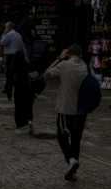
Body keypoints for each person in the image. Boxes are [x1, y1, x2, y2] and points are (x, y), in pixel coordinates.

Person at [43, 45, 90, 181]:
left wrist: (59, 58)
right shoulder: (84, 66)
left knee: (62, 136)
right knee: (76, 138)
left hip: (66, 108)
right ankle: (73, 168)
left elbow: (46, 75)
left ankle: (71, 160)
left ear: (68, 53)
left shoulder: (64, 65)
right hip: (81, 109)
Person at [0, 21, 26, 100]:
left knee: (9, 74)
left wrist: (3, 34)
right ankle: (9, 88)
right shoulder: (18, 34)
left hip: (11, 56)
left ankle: (8, 91)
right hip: (19, 56)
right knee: (16, 73)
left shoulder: (9, 34)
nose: (4, 28)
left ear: (9, 28)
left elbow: (2, 43)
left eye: (6, 27)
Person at [10, 49, 35, 134]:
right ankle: (29, 121)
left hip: (18, 89)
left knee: (19, 107)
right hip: (28, 88)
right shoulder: (26, 64)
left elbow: (11, 79)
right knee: (28, 106)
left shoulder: (14, 66)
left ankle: (20, 125)